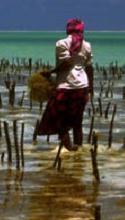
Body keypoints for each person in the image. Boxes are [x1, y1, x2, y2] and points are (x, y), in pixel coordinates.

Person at [35, 18, 94, 151]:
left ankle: (70, 152)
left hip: (66, 87)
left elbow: (66, 64)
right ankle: (78, 151)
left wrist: (50, 72)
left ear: (68, 29)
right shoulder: (87, 45)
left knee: (61, 123)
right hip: (82, 87)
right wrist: (91, 87)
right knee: (77, 123)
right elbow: (89, 68)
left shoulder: (62, 43)